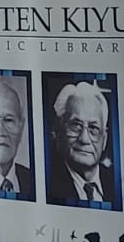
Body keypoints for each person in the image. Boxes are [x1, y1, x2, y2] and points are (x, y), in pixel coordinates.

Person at [48, 80, 117, 208]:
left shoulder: (117, 182)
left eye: (93, 128)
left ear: (105, 139)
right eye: (76, 126)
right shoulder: (47, 183)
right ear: (58, 131)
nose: (84, 139)